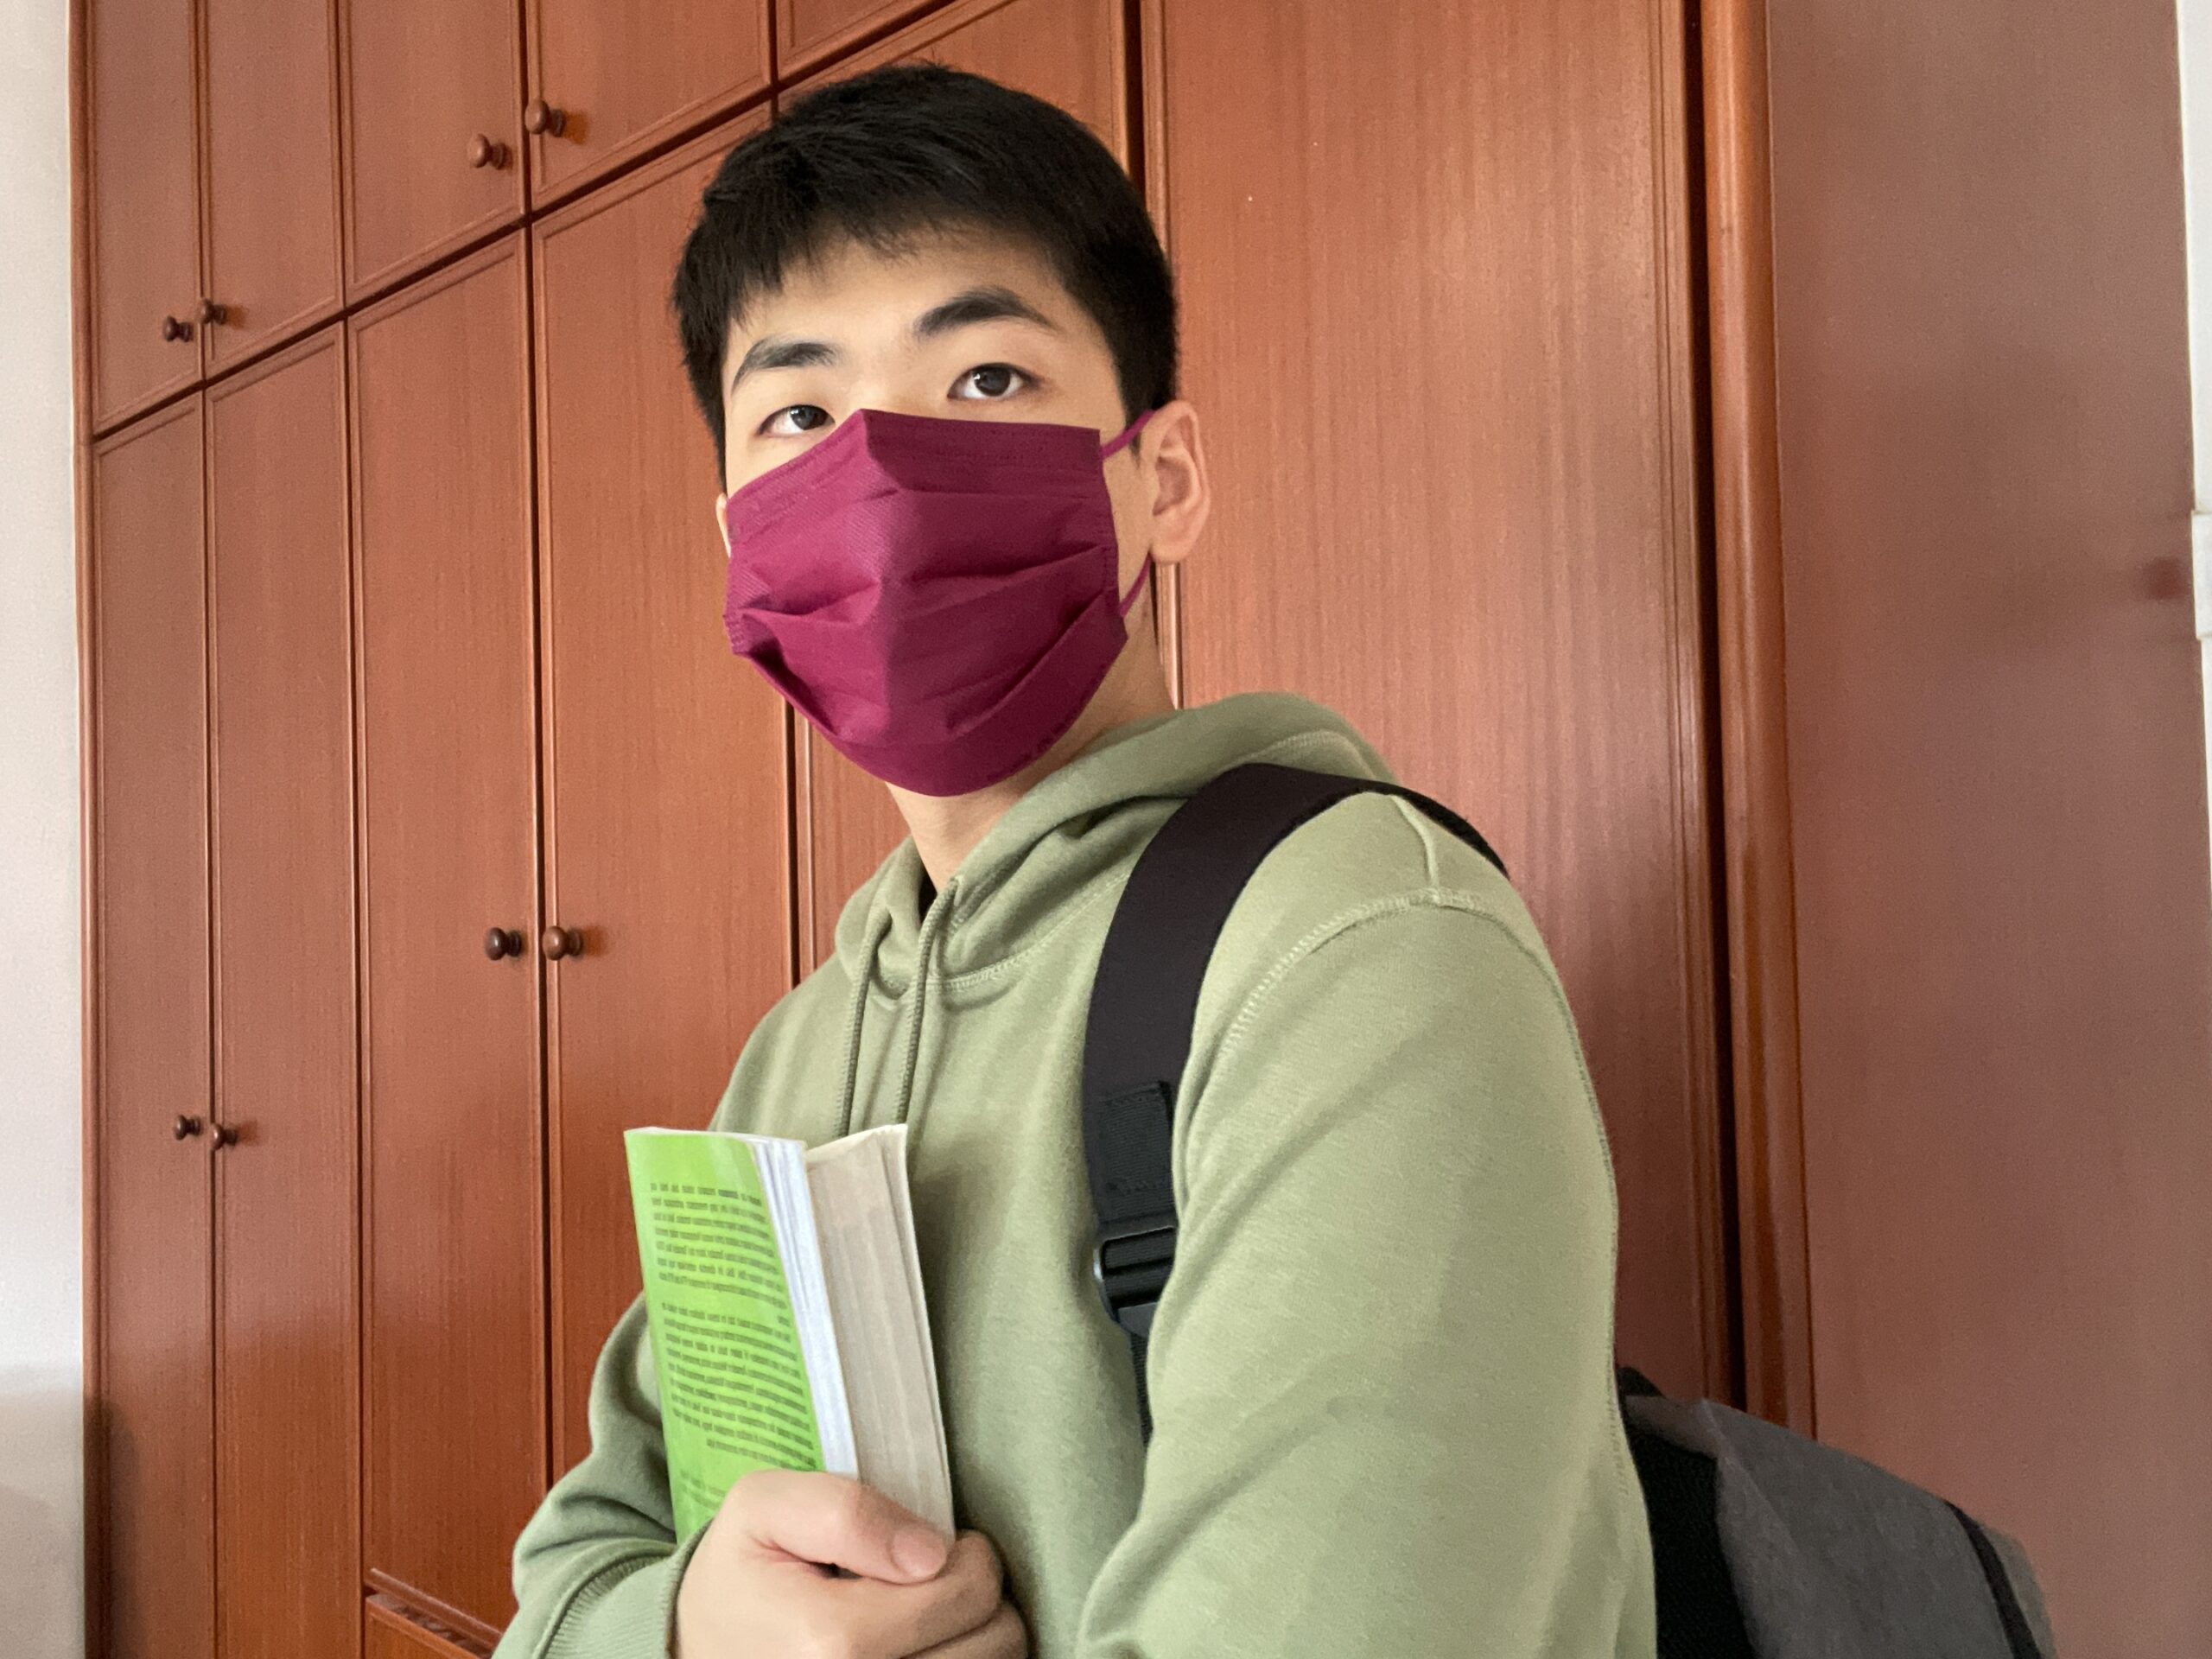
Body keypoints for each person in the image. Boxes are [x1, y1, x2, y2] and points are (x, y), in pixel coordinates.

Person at [493, 62, 1655, 1659]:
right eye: (800, 416)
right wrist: (692, 1624)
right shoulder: (798, 1049)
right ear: (739, 539)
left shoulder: (1362, 953)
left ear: (1159, 482)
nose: (881, 484)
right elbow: (579, 1563)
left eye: (984, 379)